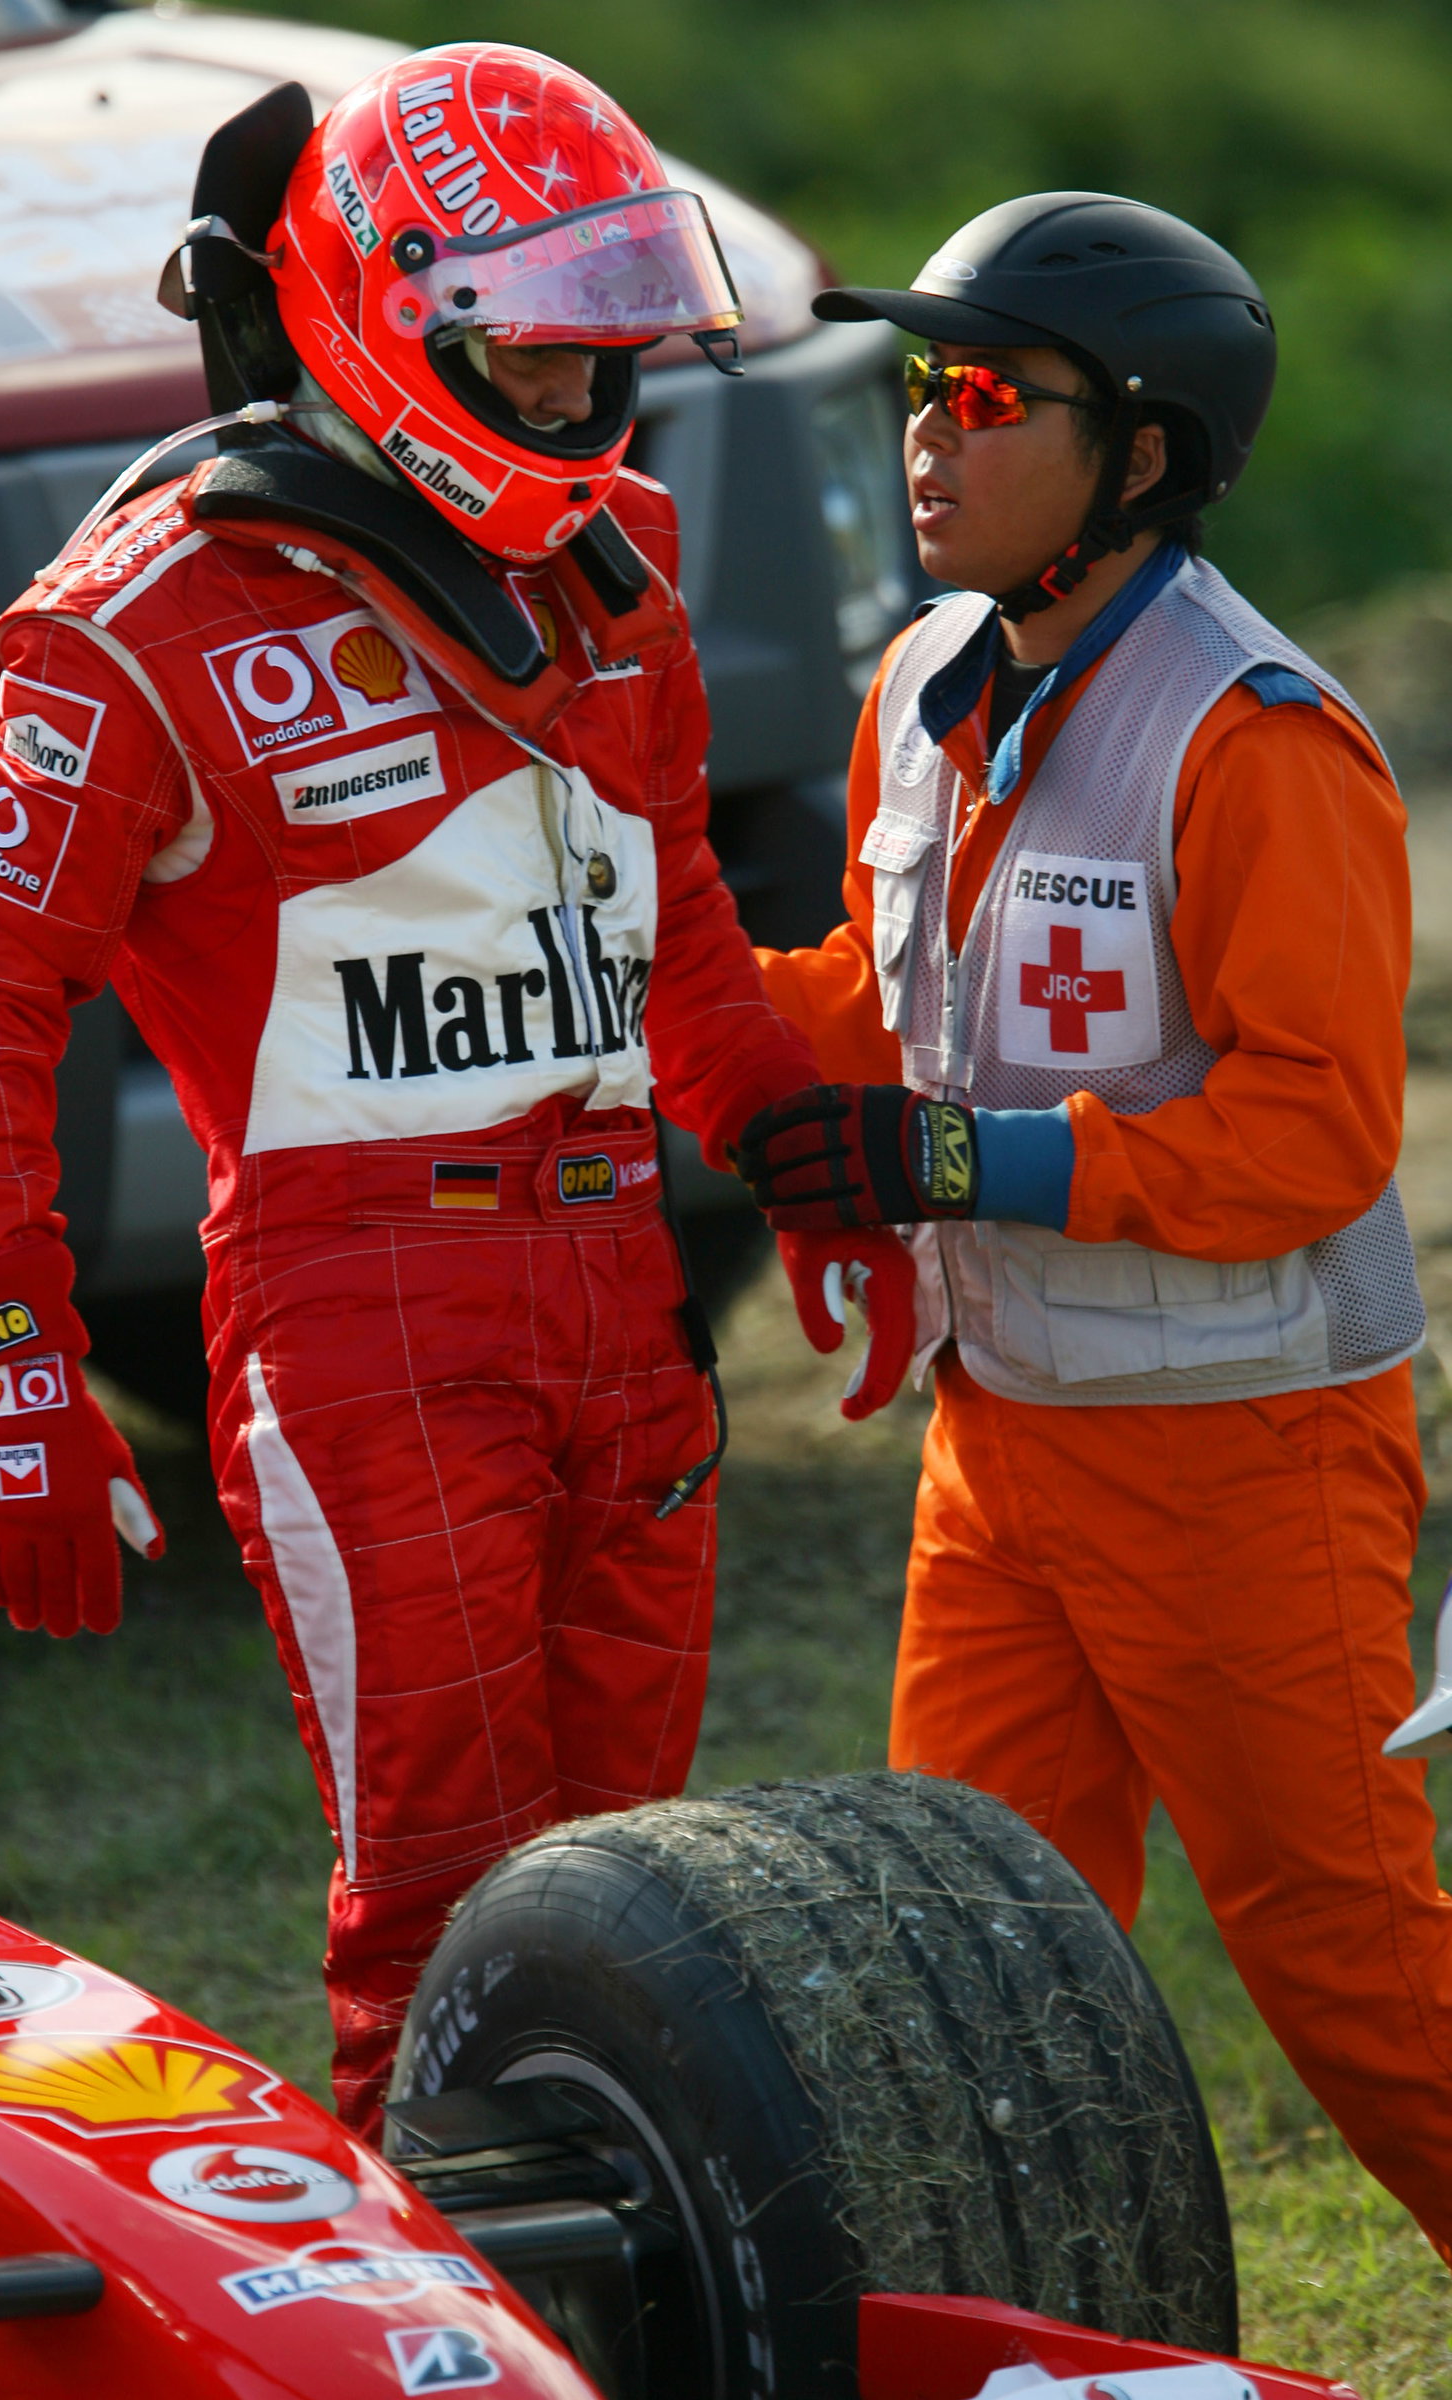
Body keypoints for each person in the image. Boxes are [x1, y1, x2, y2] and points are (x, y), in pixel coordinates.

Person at [0, 43, 898, 2141]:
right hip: (363, 1323)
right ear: (389, 312)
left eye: (607, 339)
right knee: (440, 1908)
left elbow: (676, 915)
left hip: (623, 1292)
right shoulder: (139, 619)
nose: (579, 394)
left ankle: (632, 2310)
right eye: (531, 351)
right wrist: (16, 1359)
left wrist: (792, 1158)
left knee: (638, 1893)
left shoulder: (611, 559)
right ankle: (445, 2318)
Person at [738, 191, 1452, 2260]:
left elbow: (1307, 1139)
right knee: (966, 1959)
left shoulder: (1263, 743)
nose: (923, 434)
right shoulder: (917, 684)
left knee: (1349, 1977)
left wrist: (955, 1164)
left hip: (1242, 1450)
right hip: (1002, 1450)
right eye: (911, 386)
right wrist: (627, 957)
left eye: (982, 393)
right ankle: (1062, 2356)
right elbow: (873, 1010)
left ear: (1135, 458)